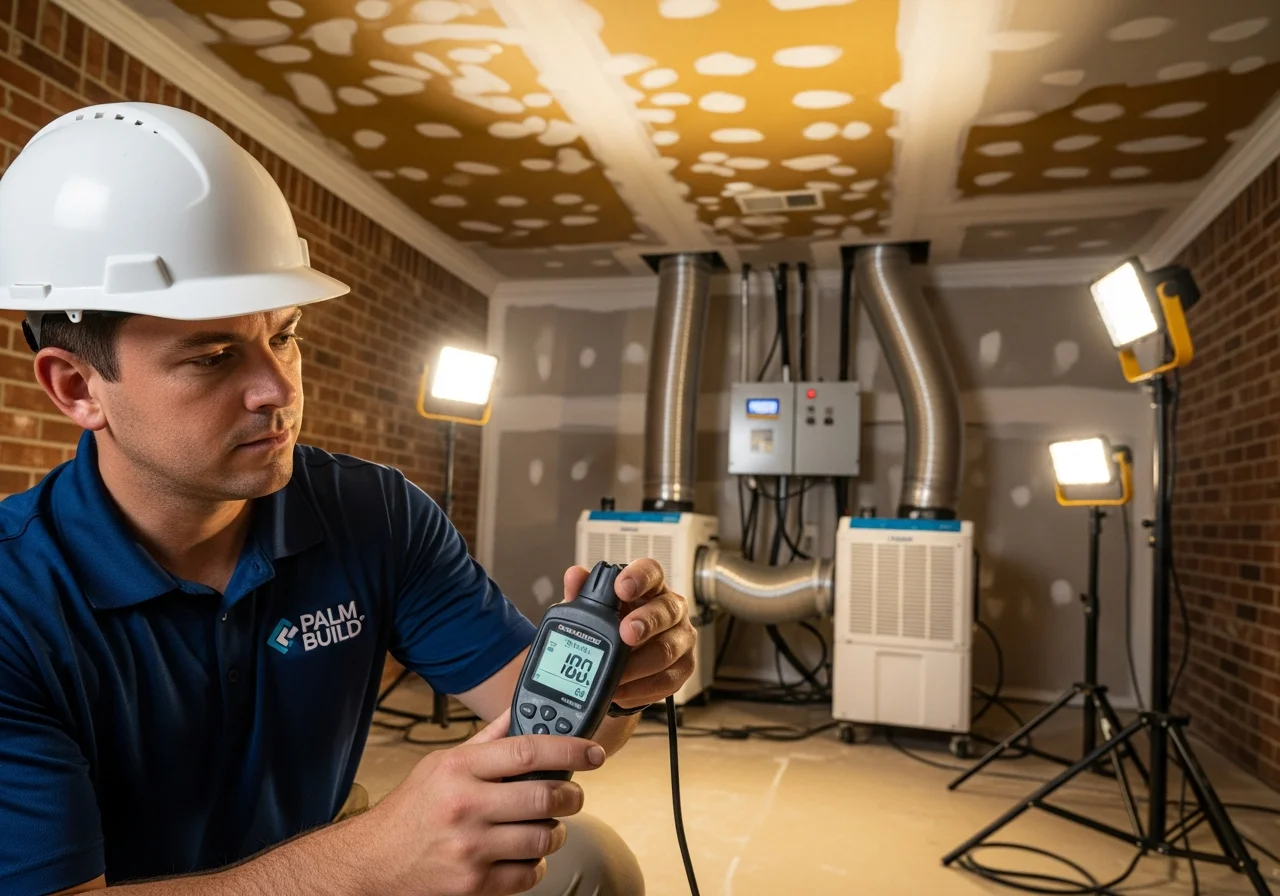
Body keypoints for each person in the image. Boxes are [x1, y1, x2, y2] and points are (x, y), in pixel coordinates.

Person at [0, 102, 696, 895]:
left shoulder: (377, 517)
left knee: (589, 865)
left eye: (285, 334)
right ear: (76, 386)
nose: (278, 389)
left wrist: (626, 680)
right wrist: (368, 861)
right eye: (214, 356)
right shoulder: (14, 604)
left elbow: (547, 718)